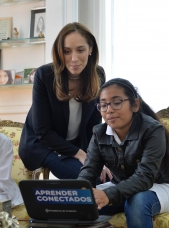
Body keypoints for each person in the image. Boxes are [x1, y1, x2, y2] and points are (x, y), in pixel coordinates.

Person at [77, 78, 169, 228]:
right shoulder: (99, 133)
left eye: (117, 102)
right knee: (82, 203)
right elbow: (89, 170)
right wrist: (81, 192)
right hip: (122, 185)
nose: (109, 110)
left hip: (162, 186)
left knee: (137, 201)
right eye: (103, 105)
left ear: (135, 104)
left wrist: (109, 194)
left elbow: (145, 178)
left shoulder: (153, 130)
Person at [19, 22, 108, 181]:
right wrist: (81, 155)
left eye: (80, 50)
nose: (74, 58)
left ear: (90, 49)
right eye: (67, 51)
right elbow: (42, 131)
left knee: (109, 177)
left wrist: (95, 158)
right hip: (43, 146)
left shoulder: (98, 75)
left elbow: (93, 126)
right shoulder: (45, 75)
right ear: (60, 52)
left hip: (76, 145)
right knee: (90, 178)